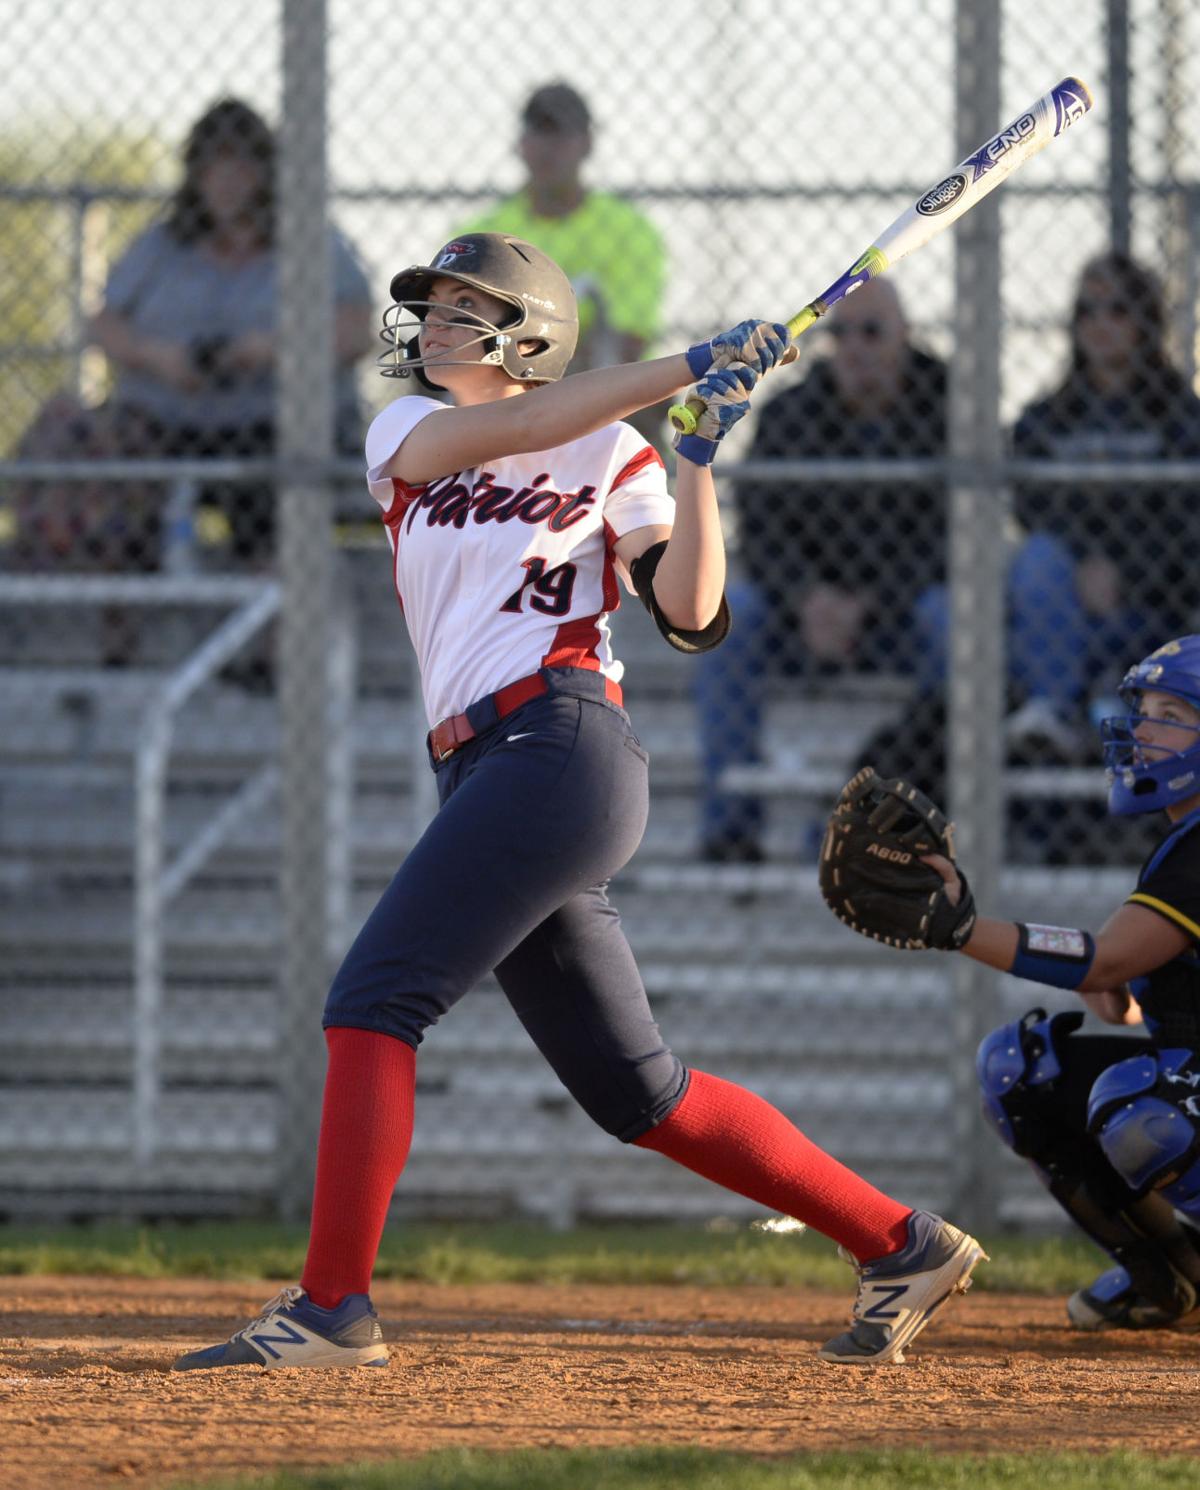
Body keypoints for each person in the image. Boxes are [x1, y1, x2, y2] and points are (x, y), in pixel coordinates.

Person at [171, 231, 983, 1373]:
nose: (434, 324)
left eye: (466, 309)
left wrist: (693, 460)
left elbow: (694, 615)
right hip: (487, 765)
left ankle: (332, 1307)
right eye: (435, 307)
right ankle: (903, 1240)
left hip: (559, 746)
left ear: (531, 334)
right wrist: (687, 364)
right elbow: (511, 430)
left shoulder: (614, 451)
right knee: (637, 1091)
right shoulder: (407, 433)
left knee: (371, 1000)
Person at [864, 635, 1200, 1331]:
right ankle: (1171, 1274)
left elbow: (1104, 961)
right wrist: (1119, 980)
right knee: (1023, 1072)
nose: (1141, 728)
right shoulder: (1181, 839)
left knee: (1145, 1113)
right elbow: (1122, 988)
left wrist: (959, 929)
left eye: (1171, 713)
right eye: (1145, 708)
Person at [694, 278, 947, 862]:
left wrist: (870, 604)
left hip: (898, 617)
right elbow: (762, 529)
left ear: (905, 337)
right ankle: (732, 827)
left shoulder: (947, 404)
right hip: (801, 618)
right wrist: (809, 599)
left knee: (949, 617)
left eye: (872, 331)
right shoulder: (791, 414)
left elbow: (955, 540)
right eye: (842, 333)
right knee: (733, 618)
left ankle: (925, 811)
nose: (855, 347)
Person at [88, 97, 374, 569]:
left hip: (272, 424)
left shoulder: (308, 239)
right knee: (99, 464)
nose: (226, 181)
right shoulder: (163, 244)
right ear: (194, 175)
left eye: (240, 166)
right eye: (212, 166)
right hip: (170, 421)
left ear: (265, 173)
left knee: (271, 493)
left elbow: (356, 331)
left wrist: (275, 350)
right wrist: (156, 356)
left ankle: (276, 629)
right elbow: (104, 322)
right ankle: (115, 630)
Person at [1004, 251, 1200, 753]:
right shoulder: (1047, 419)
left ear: (1144, 321)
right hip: (1068, 604)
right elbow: (1034, 506)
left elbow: (1183, 524)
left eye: (1117, 309)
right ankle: (1055, 712)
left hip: (1154, 602)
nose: (1100, 324)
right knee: (1039, 559)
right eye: (1087, 311)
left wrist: (1126, 572)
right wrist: (1088, 561)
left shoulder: (1180, 415)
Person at [458, 82, 668, 448]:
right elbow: (460, 339)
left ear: (586, 143)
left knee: (644, 396)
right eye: (539, 132)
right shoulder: (482, 233)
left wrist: (523, 351)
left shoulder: (630, 230)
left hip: (603, 394)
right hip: (503, 398)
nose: (548, 148)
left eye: (561, 134)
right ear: (521, 144)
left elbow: (625, 344)